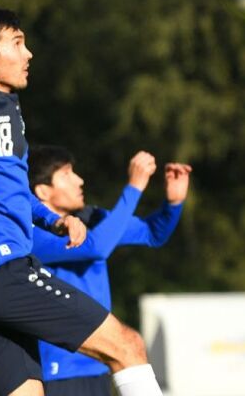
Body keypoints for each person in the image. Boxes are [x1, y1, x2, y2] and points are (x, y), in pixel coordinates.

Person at [0, 7, 166, 396]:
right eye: (17, 43)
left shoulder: (3, 109)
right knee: (127, 346)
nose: (29, 54)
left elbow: (11, 190)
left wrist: (52, 219)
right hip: (2, 272)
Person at [28, 146, 191, 396]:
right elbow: (97, 248)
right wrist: (133, 188)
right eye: (67, 174)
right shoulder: (33, 234)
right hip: (60, 371)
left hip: (100, 365)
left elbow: (151, 233)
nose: (79, 180)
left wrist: (173, 204)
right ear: (43, 191)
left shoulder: (92, 218)